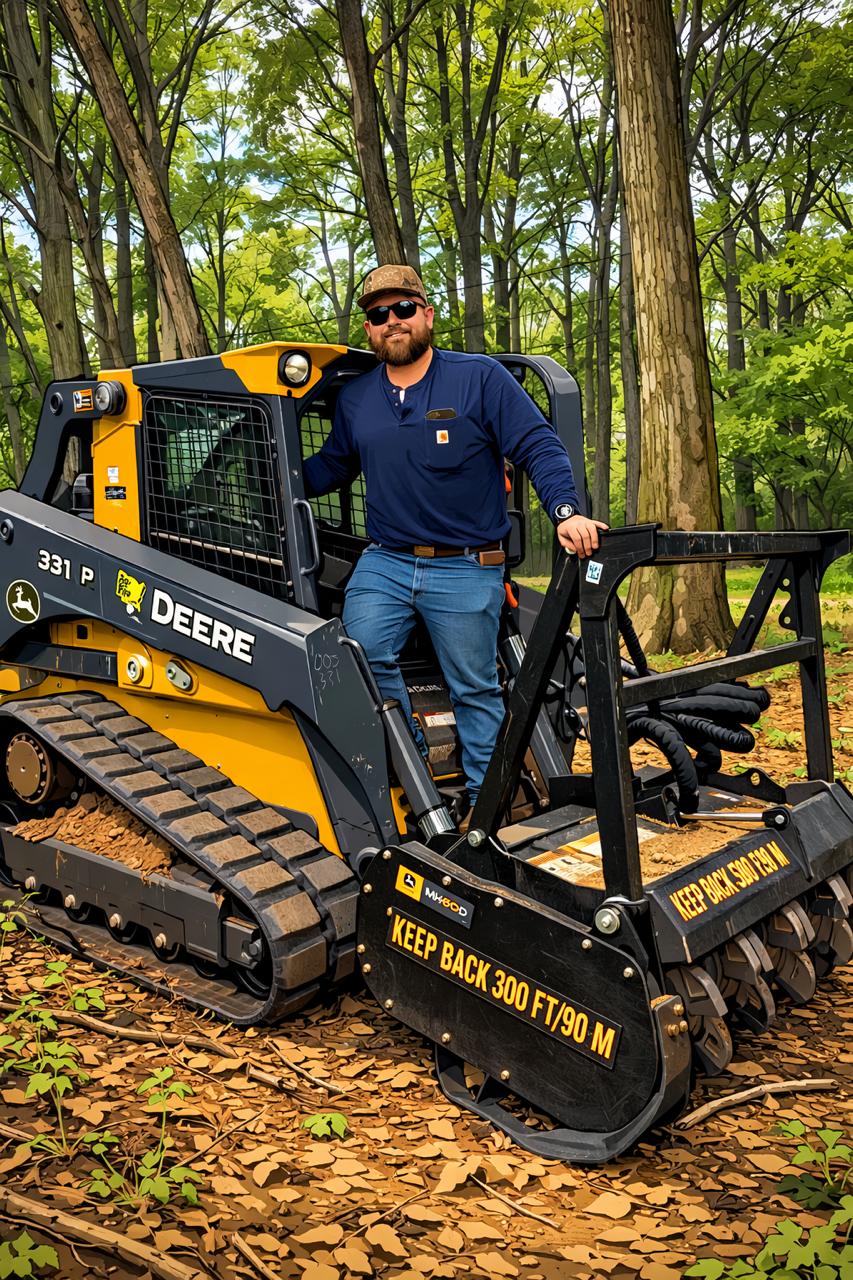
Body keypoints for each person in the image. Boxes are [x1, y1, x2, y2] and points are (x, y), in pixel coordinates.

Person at [303, 263, 607, 811]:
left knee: (474, 688)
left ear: (426, 315)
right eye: (377, 315)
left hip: (467, 566)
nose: (391, 322)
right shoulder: (357, 400)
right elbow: (333, 465)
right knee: (360, 653)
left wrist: (566, 512)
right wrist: (271, 479)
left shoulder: (479, 379)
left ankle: (484, 805)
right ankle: (413, 764)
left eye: (402, 310)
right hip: (387, 561)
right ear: (369, 329)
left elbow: (538, 445)